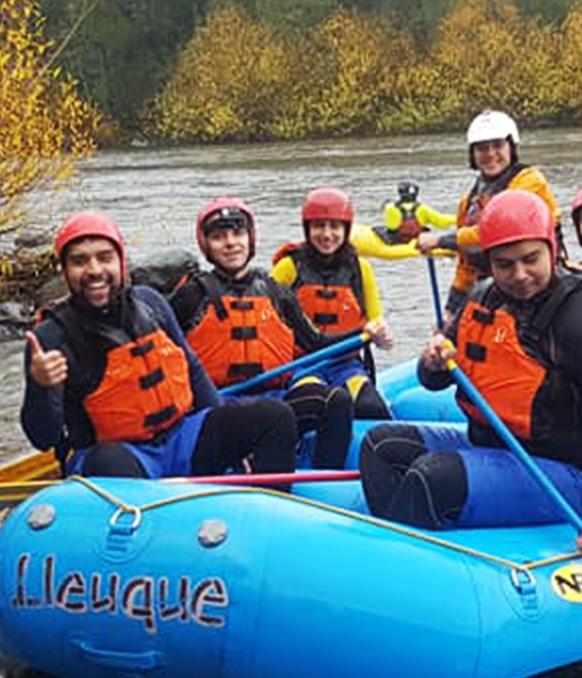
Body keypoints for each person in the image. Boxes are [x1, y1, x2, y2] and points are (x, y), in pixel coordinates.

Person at [360, 190, 582, 561]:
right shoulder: (483, 298)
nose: (519, 275)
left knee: (433, 478)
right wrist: (431, 362)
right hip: (491, 447)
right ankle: (391, 551)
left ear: (552, 249)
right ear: (490, 263)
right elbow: (434, 381)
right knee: (380, 447)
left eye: (531, 259)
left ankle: (402, 565)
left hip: (565, 473)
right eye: (505, 264)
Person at [21, 212, 297, 479]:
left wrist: (233, 442)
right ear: (65, 270)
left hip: (182, 439)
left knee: (275, 416)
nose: (94, 270)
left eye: (105, 258)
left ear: (121, 262)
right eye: (80, 261)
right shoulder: (49, 339)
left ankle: (269, 505)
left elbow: (194, 372)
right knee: (109, 462)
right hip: (120, 454)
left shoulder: (150, 303)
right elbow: (43, 438)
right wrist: (41, 386)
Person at [169, 196, 391, 469]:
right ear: (206, 245)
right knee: (274, 416)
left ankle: (323, 482)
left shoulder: (275, 292)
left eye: (237, 234)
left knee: (336, 400)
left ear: (250, 239)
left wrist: (363, 334)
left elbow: (316, 343)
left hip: (274, 399)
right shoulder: (191, 295)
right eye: (219, 237)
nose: (230, 243)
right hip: (220, 405)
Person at [416, 109, 562, 327]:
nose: (490, 153)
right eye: (482, 148)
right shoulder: (469, 200)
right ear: (473, 154)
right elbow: (466, 266)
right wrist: (450, 310)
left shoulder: (530, 182)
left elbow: (492, 232)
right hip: (496, 290)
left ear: (511, 148)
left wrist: (439, 241)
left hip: (539, 285)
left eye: (498, 145)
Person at [270, 187, 394, 419]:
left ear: (346, 229)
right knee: (323, 402)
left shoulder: (360, 269)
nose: (327, 234)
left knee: (371, 407)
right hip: (300, 365)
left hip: (346, 366)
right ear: (308, 229)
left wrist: (382, 336)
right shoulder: (288, 268)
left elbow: (376, 322)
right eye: (319, 226)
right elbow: (265, 318)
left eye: (334, 226)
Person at [378, 180, 455, 245]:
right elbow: (441, 222)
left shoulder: (390, 208)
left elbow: (392, 227)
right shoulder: (423, 209)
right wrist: (457, 218)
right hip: (418, 240)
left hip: (397, 242)